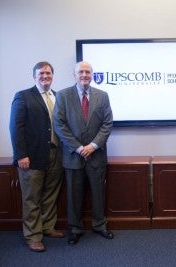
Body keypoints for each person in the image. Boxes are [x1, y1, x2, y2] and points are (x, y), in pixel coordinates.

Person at [53, 61, 114, 245]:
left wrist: (93, 146)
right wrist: (79, 148)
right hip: (73, 156)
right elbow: (59, 125)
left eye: (88, 72)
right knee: (74, 195)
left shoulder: (102, 96)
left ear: (92, 75)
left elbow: (107, 123)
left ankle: (100, 225)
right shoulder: (63, 95)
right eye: (81, 72)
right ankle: (75, 228)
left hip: (96, 155)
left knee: (98, 193)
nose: (84, 75)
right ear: (74, 75)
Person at [9, 61, 64, 252]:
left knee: (50, 194)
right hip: (31, 157)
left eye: (48, 74)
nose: (45, 77)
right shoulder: (23, 96)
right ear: (34, 76)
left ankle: (48, 226)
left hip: (56, 154)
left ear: (52, 76)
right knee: (31, 198)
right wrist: (21, 154)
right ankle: (33, 236)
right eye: (41, 74)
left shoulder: (58, 97)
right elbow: (16, 127)